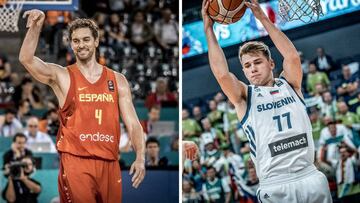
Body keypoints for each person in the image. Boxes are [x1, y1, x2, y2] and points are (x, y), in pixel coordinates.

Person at [201, 0, 332, 202]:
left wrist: (262, 18)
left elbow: (292, 57)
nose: (252, 68)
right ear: (243, 71)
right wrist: (209, 29)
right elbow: (222, 74)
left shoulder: (290, 85)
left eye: (257, 62)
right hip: (275, 184)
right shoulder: (245, 96)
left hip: (309, 176)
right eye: (247, 65)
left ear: (271, 63)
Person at [19, 10, 145, 203]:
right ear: (71, 44)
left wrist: (141, 157)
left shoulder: (117, 80)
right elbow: (26, 60)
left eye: (86, 39)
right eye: (76, 41)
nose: (81, 45)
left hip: (110, 162)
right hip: (76, 161)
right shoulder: (62, 75)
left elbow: (134, 124)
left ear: (96, 41)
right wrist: (36, 26)